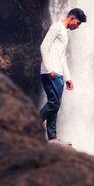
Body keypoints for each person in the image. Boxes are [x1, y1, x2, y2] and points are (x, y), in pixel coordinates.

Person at [39, 8, 87, 143]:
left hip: (58, 73)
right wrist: (49, 69)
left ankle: (52, 137)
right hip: (51, 73)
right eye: (77, 23)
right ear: (71, 18)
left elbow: (63, 58)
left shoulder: (64, 34)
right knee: (54, 103)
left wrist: (68, 78)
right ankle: (32, 125)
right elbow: (44, 46)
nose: (77, 27)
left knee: (55, 104)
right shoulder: (57, 27)